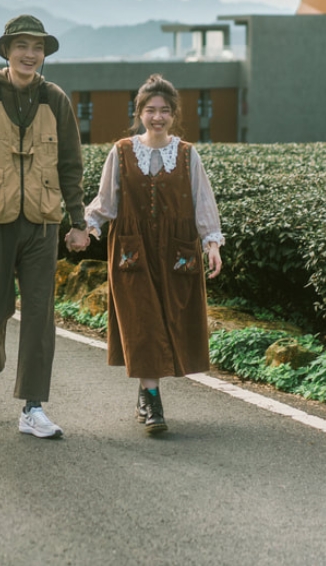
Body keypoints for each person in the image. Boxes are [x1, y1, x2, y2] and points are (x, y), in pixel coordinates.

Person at [0, 14, 91, 439]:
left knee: (39, 317)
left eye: (38, 48)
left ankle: (33, 407)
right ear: (6, 51)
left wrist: (78, 221)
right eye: (22, 47)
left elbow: (70, 164)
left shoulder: (55, 99)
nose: (30, 55)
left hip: (42, 224)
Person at [84, 74, 223, 434]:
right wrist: (85, 227)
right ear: (139, 113)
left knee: (169, 320)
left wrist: (212, 243)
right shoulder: (122, 150)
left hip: (177, 250)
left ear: (174, 114)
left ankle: (145, 395)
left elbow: (202, 201)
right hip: (132, 248)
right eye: (150, 110)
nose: (157, 117)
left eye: (164, 111)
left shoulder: (188, 154)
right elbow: (106, 200)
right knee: (142, 321)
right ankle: (152, 398)